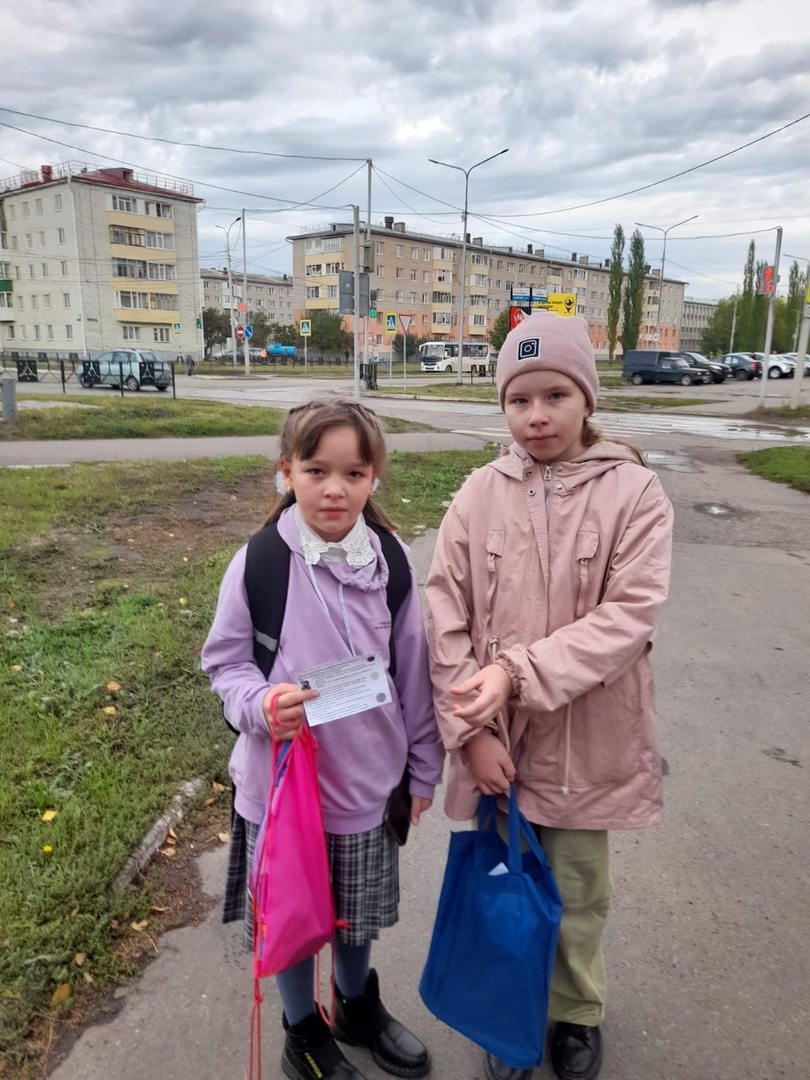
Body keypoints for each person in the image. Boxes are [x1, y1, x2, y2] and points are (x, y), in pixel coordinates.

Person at [425, 312, 673, 1080]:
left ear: (587, 399)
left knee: (577, 893)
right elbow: (443, 614)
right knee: (505, 893)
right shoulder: (478, 494)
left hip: (586, 745)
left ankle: (576, 1012)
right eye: (519, 399)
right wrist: (470, 735)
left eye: (556, 395)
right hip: (500, 747)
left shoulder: (635, 493)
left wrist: (516, 673)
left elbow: (627, 619)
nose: (536, 415)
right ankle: (511, 1019)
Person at [202, 399, 443, 1080]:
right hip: (281, 794)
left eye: (353, 473)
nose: (335, 489)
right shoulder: (259, 563)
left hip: (366, 787)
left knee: (355, 917)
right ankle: (302, 1032)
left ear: (374, 478)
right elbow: (225, 663)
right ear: (287, 472)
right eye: (316, 471)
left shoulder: (391, 561)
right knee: (294, 921)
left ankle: (355, 1007)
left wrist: (423, 769)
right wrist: (260, 704)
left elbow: (414, 671)